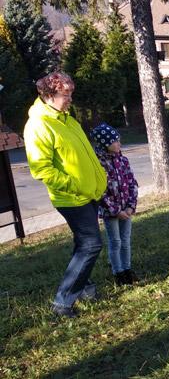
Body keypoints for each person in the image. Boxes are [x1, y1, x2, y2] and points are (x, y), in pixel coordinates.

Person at [24, 72, 107, 318]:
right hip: (71, 197)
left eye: (71, 93)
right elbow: (41, 169)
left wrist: (98, 178)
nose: (70, 98)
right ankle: (62, 303)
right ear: (48, 96)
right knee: (91, 244)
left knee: (84, 244)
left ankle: (86, 290)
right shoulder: (39, 125)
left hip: (88, 193)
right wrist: (74, 185)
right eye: (65, 94)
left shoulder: (67, 119)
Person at [89, 123, 139, 285]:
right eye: (115, 141)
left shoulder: (123, 160)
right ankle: (118, 273)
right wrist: (116, 210)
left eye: (119, 140)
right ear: (105, 143)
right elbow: (100, 192)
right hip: (111, 212)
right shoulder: (98, 164)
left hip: (126, 209)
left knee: (125, 240)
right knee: (115, 241)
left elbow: (132, 183)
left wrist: (130, 206)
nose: (119, 144)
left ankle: (127, 269)